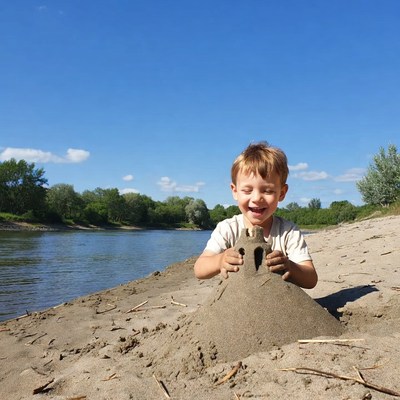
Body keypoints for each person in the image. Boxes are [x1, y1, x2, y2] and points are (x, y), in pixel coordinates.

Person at [194, 142, 318, 289]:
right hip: (238, 302)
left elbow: (311, 279)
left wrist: (289, 266)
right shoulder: (227, 229)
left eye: (268, 191)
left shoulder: (287, 232)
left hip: (279, 304)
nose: (257, 198)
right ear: (235, 191)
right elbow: (199, 269)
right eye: (247, 190)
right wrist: (220, 260)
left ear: (282, 193)